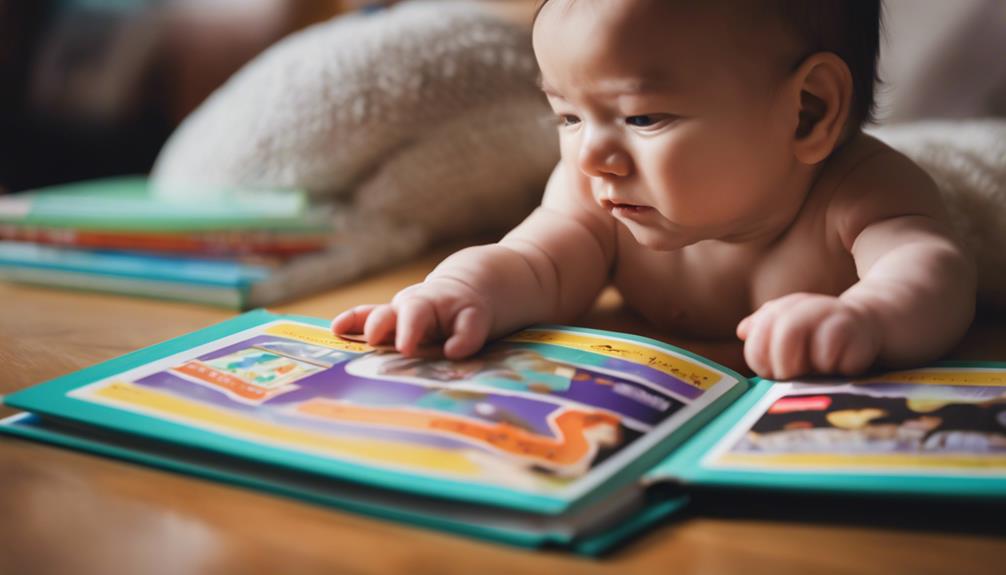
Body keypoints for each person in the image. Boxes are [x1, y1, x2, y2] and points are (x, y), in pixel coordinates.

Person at [332, 0, 976, 380]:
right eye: (568, 116)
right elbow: (533, 261)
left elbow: (934, 275)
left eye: (642, 117)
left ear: (806, 113)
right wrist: (457, 292)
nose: (593, 155)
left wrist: (866, 317)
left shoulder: (859, 192)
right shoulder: (594, 195)